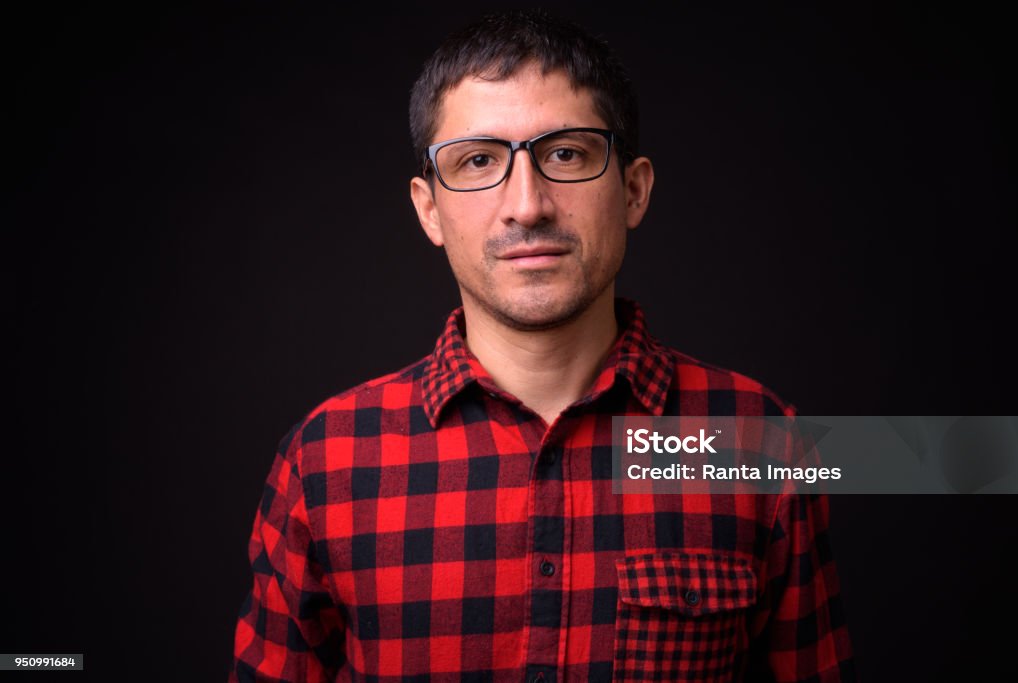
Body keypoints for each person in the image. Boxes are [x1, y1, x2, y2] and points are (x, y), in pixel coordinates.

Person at [230, 9, 855, 682]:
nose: (526, 204)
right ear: (429, 209)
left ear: (634, 190)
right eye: (478, 161)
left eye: (566, 154)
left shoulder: (761, 445)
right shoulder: (323, 465)